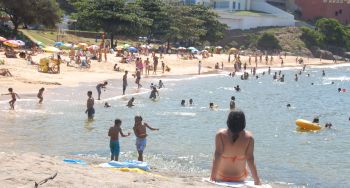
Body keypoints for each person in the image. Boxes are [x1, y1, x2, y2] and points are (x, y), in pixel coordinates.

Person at [210, 110, 261, 185]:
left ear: (228, 122)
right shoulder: (249, 138)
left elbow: (217, 156)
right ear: (243, 123)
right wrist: (257, 180)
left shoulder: (220, 134)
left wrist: (212, 177)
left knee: (218, 154)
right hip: (239, 178)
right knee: (247, 159)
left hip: (220, 177)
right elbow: (250, 159)